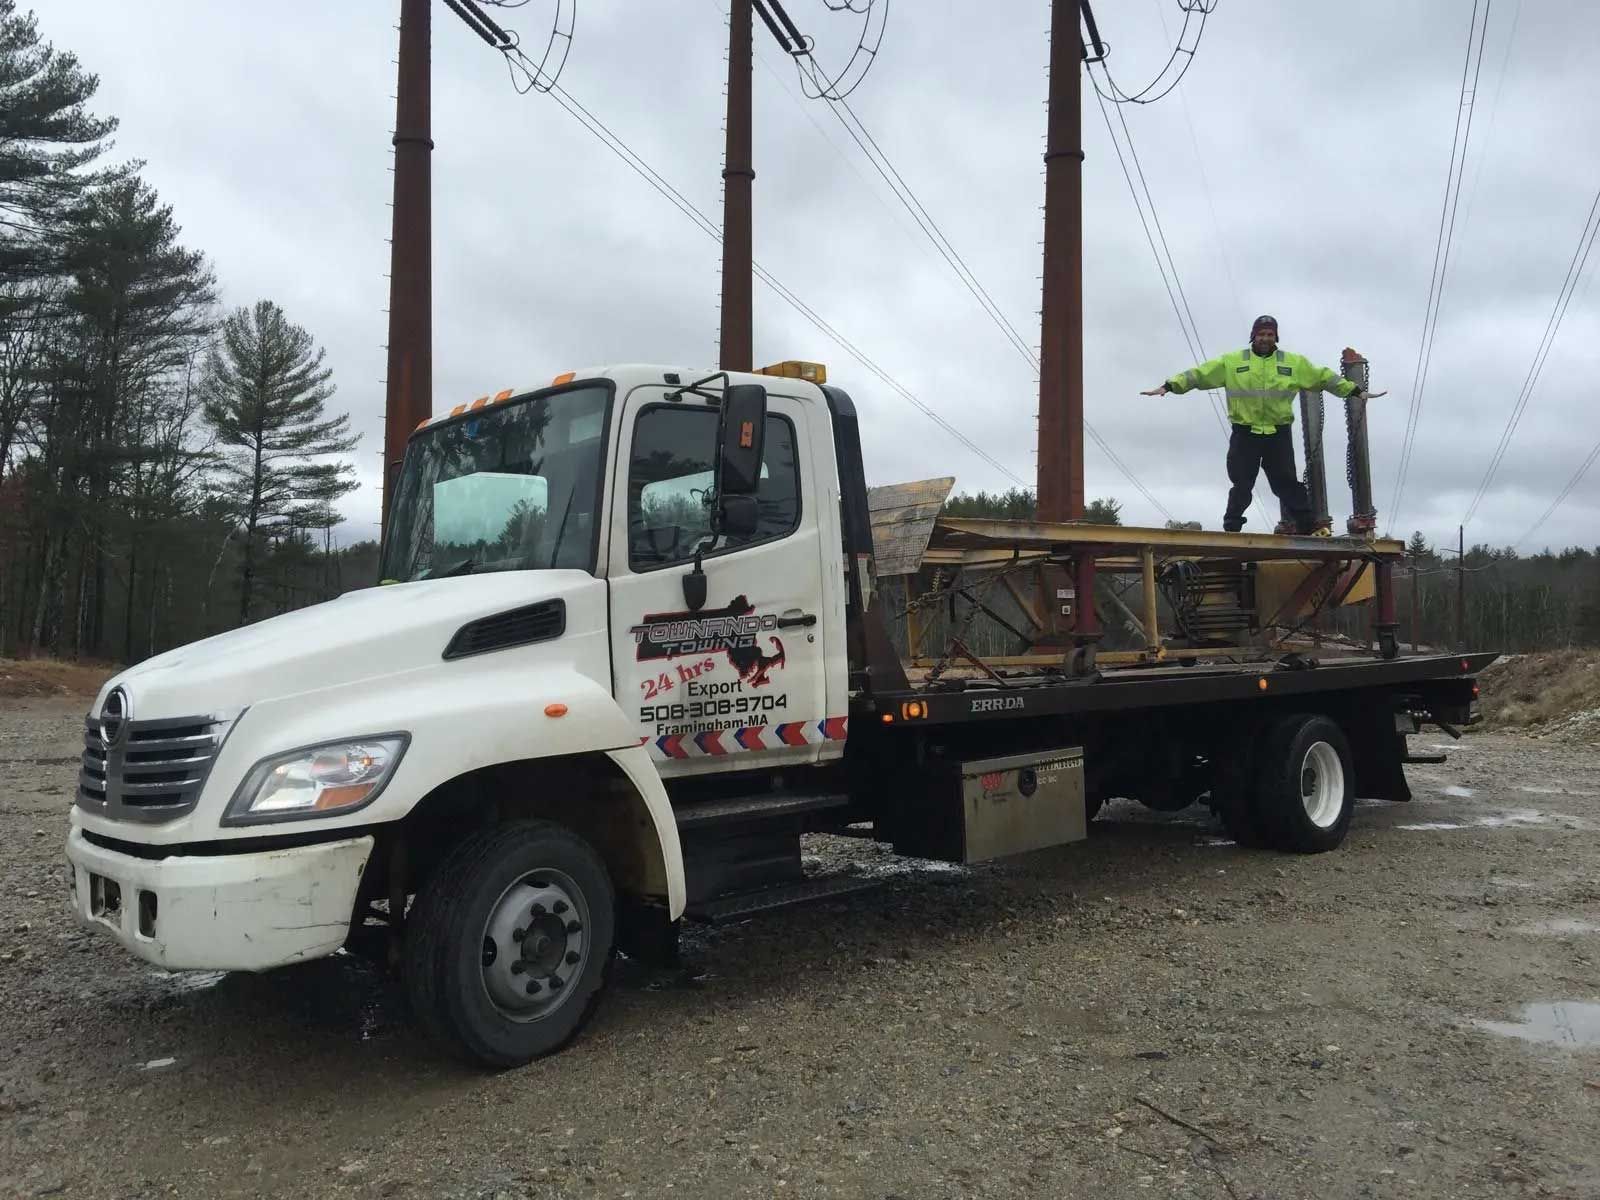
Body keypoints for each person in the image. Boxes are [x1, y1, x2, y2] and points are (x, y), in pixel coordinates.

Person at [1140, 316, 1385, 534]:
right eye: (1261, 334)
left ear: (1275, 337)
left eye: (1270, 335)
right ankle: (1233, 527)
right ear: (1253, 336)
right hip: (1245, 433)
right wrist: (1170, 386)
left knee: (1286, 482)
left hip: (1277, 433)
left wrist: (1353, 390)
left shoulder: (1293, 363)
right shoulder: (1233, 362)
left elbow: (1323, 376)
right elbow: (1199, 375)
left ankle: (1308, 526)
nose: (1265, 339)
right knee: (1242, 482)